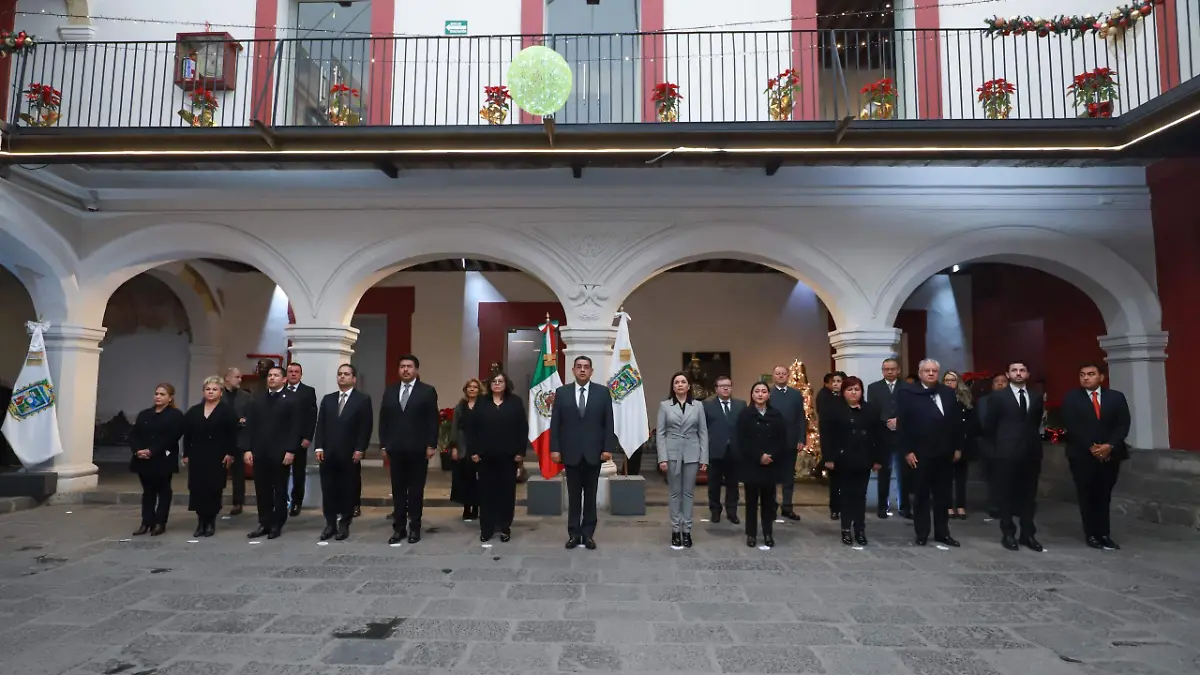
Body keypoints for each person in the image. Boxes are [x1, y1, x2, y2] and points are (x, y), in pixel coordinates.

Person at [1060, 362, 1131, 550]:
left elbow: (1123, 424)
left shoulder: (1116, 398)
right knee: (1086, 495)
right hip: (1082, 454)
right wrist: (1092, 448)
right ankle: (1091, 534)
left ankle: (1104, 533)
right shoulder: (1072, 399)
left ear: (1101, 377)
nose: (1086, 377)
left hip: (1111, 454)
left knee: (1104, 495)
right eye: (1082, 374)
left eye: (1091, 374)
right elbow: (1071, 425)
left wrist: (1110, 446)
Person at [550, 355, 615, 550]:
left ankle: (588, 534)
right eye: (579, 367)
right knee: (574, 496)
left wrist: (607, 448)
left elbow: (608, 423)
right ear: (573, 370)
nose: (582, 370)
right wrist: (555, 448)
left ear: (591, 371)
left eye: (586, 367)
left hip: (594, 453)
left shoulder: (602, 393)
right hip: (570, 453)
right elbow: (556, 424)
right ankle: (573, 533)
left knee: (590, 495)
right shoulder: (562, 393)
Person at [980, 361, 1045, 552]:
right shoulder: (999, 397)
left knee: (1029, 495)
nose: (1018, 373)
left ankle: (1028, 534)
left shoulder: (1036, 397)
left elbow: (1035, 423)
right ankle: (1008, 533)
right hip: (1006, 452)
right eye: (1014, 370)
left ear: (1028, 374)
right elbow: (990, 425)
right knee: (1005, 494)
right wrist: (998, 447)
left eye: (1022, 370)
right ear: (1008, 375)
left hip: (1031, 452)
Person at [896, 359, 962, 547]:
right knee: (922, 495)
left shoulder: (948, 393)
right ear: (920, 373)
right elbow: (903, 425)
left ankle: (943, 532)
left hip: (944, 452)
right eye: (927, 371)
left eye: (934, 371)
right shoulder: (908, 393)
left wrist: (957, 447)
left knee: (943, 495)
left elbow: (956, 422)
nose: (931, 374)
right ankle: (922, 532)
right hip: (920, 452)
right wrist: (907, 450)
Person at [379, 354, 439, 545]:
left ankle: (415, 528)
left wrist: (432, 444)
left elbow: (433, 421)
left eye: (409, 366)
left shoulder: (427, 391)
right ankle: (398, 529)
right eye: (402, 366)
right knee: (397, 491)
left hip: (418, 449)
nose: (406, 369)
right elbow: (384, 420)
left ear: (416, 370)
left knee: (415, 491)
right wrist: (383, 444)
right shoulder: (390, 392)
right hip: (395, 449)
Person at [313, 363, 373, 541]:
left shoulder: (362, 400)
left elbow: (365, 427)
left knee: (347, 489)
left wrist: (360, 448)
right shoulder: (328, 399)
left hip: (349, 453)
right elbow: (321, 425)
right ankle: (330, 524)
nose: (342, 377)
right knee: (329, 489)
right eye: (340, 374)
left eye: (346, 374)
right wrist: (319, 446)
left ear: (354, 379)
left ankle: (344, 524)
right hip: (328, 453)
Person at [823, 376, 884, 546]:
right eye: (849, 389)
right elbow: (827, 436)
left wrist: (878, 459)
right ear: (843, 392)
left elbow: (879, 436)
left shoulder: (871, 410)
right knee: (846, 496)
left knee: (860, 496)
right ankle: (845, 529)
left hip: (864, 458)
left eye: (857, 389)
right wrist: (828, 458)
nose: (853, 392)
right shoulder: (834, 410)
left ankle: (860, 529)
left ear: (862, 391)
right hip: (842, 459)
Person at [468, 371, 528, 543]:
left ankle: (504, 527)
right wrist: (473, 452)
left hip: (508, 457)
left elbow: (522, 428)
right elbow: (472, 429)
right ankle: (486, 528)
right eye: (494, 381)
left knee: (506, 493)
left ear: (506, 384)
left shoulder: (515, 402)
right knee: (486, 493)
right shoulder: (481, 402)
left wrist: (520, 452)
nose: (497, 384)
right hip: (485, 457)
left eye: (500, 381)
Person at [243, 366, 301, 540]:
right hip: (260, 451)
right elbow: (249, 426)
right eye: (270, 375)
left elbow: (295, 428)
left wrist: (291, 450)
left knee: (280, 489)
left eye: (276, 375)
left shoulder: (292, 399)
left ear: (284, 380)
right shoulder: (257, 400)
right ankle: (264, 522)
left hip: (281, 452)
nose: (272, 378)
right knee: (262, 489)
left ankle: (277, 523)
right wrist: (247, 449)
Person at [656, 372, 709, 548]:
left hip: (692, 453)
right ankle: (675, 530)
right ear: (673, 387)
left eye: (683, 382)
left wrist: (704, 457)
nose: (680, 384)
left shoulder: (698, 406)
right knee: (674, 493)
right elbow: (661, 434)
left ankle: (686, 531)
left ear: (688, 386)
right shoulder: (664, 406)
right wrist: (662, 458)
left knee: (688, 493)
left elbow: (703, 432)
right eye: (677, 382)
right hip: (672, 453)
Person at [182, 376, 238, 537]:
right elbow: (187, 435)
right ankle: (201, 522)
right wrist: (186, 454)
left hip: (218, 455)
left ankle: (210, 522)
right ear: (203, 392)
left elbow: (233, 435)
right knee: (198, 489)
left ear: (221, 392)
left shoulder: (227, 411)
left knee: (213, 489)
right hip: (197, 455)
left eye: (214, 389)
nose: (211, 392)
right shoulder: (194, 411)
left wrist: (230, 453)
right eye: (208, 389)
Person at [129, 383, 185, 536]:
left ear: (170, 398)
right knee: (148, 492)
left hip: (162, 459)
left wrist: (152, 450)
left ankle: (160, 522)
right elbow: (134, 434)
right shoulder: (144, 414)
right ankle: (146, 522)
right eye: (156, 394)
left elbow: (172, 437)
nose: (158, 397)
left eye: (162, 394)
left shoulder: (175, 415)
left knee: (163, 490)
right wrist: (138, 450)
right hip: (143, 459)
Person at [737, 381, 786, 548]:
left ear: (768, 395)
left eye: (764, 391)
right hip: (752, 464)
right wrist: (759, 456)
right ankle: (751, 533)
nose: (760, 394)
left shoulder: (776, 415)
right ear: (752, 395)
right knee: (751, 502)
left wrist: (770, 455)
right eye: (756, 391)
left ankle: (767, 533)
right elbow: (742, 440)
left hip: (770, 465)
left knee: (768, 502)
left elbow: (782, 439)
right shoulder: (745, 414)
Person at [867, 358, 906, 519]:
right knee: (884, 473)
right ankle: (883, 506)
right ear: (882, 370)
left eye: (892, 369)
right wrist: (886, 422)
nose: (889, 371)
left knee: (904, 473)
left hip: (902, 435)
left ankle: (905, 507)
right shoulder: (874, 388)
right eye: (886, 369)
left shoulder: (908, 387)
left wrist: (899, 420)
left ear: (898, 370)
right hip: (882, 435)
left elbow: (912, 409)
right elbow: (873, 411)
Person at [702, 375, 744, 524]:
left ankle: (732, 512)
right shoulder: (707, 405)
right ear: (716, 389)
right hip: (715, 450)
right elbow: (703, 429)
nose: (726, 388)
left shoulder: (741, 405)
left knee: (733, 484)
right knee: (714, 484)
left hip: (734, 451)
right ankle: (715, 511)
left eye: (728, 385)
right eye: (722, 386)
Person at [768, 365, 807, 521]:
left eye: (784, 373)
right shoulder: (767, 393)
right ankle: (770, 507)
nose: (781, 376)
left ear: (788, 375)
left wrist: (801, 438)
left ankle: (787, 507)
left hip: (790, 441)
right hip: (771, 442)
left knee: (788, 477)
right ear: (773, 376)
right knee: (770, 476)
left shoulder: (796, 395)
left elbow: (801, 418)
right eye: (778, 373)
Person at [283, 362, 318, 516]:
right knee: (280, 473)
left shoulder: (308, 391)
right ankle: (282, 500)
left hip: (300, 439)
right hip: (280, 439)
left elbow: (312, 416)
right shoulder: (280, 390)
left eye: (296, 372)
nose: (293, 374)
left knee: (298, 472)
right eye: (290, 371)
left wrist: (307, 437)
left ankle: (297, 502)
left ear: (301, 374)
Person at [942, 370, 976, 520]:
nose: (949, 382)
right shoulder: (938, 398)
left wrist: (960, 447)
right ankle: (948, 506)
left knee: (961, 477)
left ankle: (961, 506)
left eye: (952, 380)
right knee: (946, 478)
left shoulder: (965, 400)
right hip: (944, 443)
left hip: (963, 443)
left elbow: (970, 424)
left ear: (958, 382)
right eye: (946, 380)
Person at [975, 373, 1010, 519]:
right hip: (990, 444)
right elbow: (983, 422)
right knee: (993, 478)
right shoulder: (984, 401)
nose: (1000, 384)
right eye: (997, 381)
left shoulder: (1014, 400)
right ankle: (994, 506)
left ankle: (1010, 505)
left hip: (1010, 445)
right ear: (992, 385)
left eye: (1003, 381)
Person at [449, 379, 483, 522]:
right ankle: (466, 508)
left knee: (478, 480)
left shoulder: (483, 406)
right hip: (463, 446)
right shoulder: (460, 406)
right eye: (470, 387)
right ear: (466, 389)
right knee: (464, 479)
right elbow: (455, 427)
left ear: (479, 390)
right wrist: (454, 446)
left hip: (478, 446)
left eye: (475, 387)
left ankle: (476, 507)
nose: (472, 389)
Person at [220, 368, 252, 516]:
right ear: (227, 378)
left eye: (240, 377)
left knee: (238, 473)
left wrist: (245, 420)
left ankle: (238, 502)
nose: (239, 380)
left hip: (239, 437)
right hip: (220, 438)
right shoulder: (218, 394)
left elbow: (252, 414)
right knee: (218, 472)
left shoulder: (246, 396)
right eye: (236, 377)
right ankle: (215, 499)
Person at [816, 371, 845, 520]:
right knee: (835, 482)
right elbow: (825, 430)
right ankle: (835, 508)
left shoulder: (850, 399)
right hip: (833, 446)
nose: (835, 384)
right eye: (834, 381)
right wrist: (827, 456)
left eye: (839, 381)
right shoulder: (825, 400)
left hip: (849, 448)